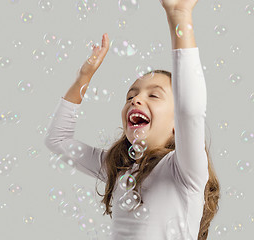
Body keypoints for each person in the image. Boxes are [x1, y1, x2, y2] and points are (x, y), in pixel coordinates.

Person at [44, 0, 220, 239]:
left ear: (177, 125)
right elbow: (58, 139)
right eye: (131, 95)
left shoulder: (184, 169)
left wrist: (179, 15)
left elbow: (190, 110)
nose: (136, 100)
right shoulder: (119, 168)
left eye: (154, 95)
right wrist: (84, 77)